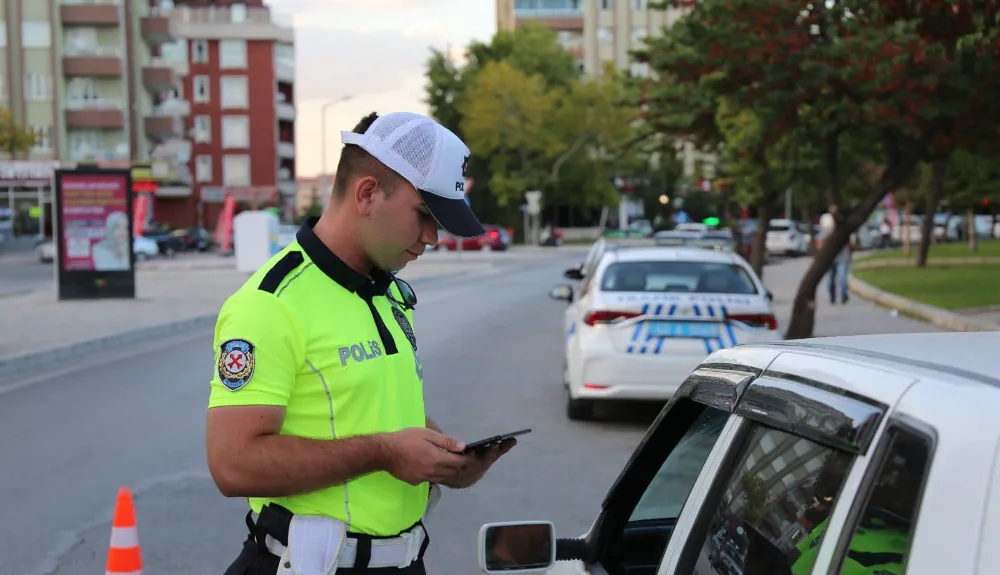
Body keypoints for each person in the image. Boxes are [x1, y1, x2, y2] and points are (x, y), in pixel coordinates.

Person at [206, 111, 517, 575]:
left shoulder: (388, 290)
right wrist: (384, 452)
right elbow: (232, 465)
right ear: (367, 193)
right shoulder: (271, 303)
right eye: (425, 216)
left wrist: (447, 458)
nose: (433, 238)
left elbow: (379, 408)